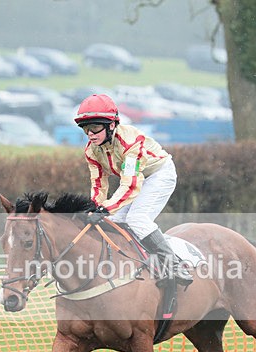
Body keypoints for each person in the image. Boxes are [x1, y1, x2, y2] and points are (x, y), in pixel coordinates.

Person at [73, 94, 192, 285]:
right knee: (113, 221)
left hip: (159, 175)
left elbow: (131, 185)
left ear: (111, 125)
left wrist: (105, 209)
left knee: (136, 219)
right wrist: (94, 207)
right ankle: (133, 265)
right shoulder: (91, 151)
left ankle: (175, 265)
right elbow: (98, 184)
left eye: (95, 128)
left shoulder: (130, 142)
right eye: (86, 129)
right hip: (136, 179)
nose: (90, 134)